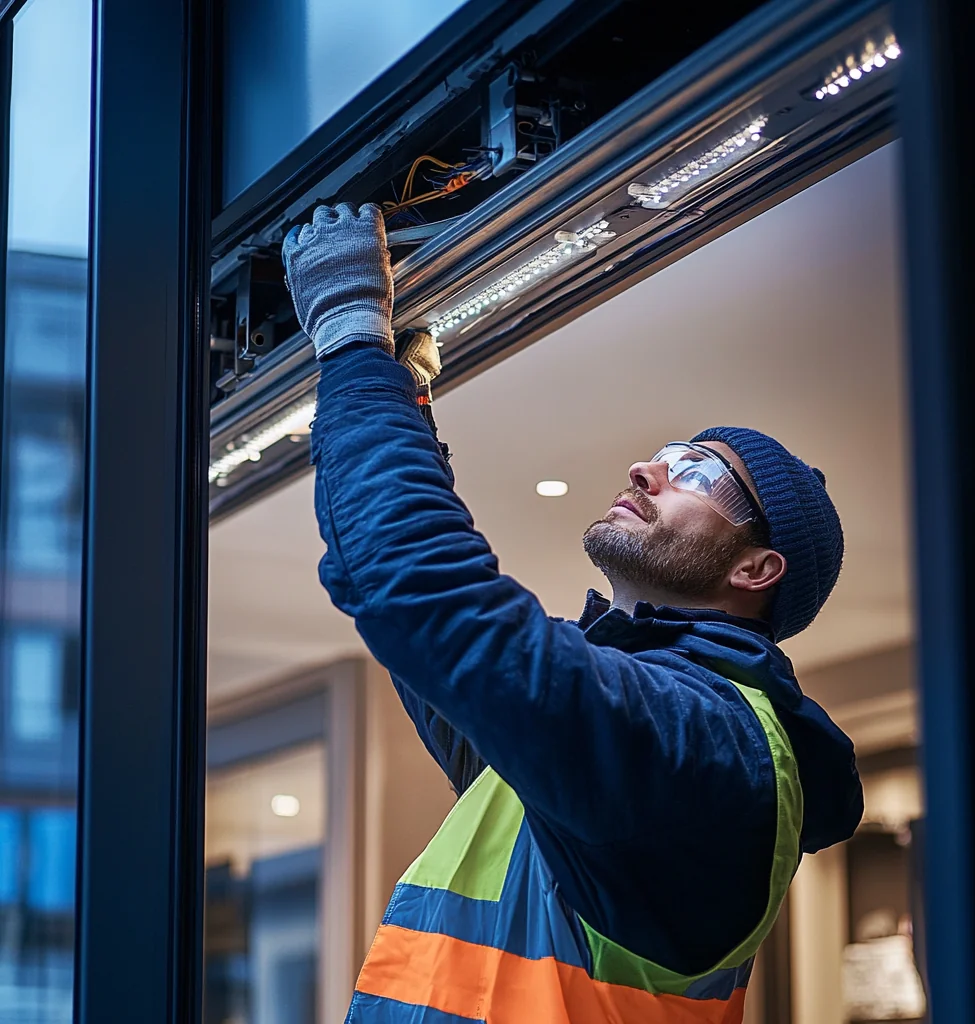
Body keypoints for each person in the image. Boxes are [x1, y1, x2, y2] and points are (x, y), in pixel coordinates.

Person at [282, 203, 863, 1023]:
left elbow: (421, 594)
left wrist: (350, 333)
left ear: (756, 568)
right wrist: (400, 399)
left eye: (698, 473)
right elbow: (426, 627)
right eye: (661, 456)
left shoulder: (705, 740)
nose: (647, 470)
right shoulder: (618, 744)